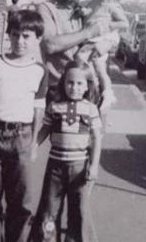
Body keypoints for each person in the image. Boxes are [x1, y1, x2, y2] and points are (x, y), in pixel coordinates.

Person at [0, 10, 48, 242]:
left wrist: (34, 142)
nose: (20, 41)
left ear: (38, 39)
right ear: (9, 35)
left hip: (21, 137)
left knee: (20, 198)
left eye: (26, 36)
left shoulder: (38, 71)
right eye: (15, 35)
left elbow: (38, 110)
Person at [30, 61, 102, 242]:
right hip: (55, 166)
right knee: (50, 208)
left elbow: (96, 139)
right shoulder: (55, 106)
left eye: (79, 83)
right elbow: (45, 130)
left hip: (79, 168)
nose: (74, 87)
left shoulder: (91, 109)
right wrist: (33, 145)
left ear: (87, 86)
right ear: (63, 83)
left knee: (78, 211)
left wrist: (93, 166)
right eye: (70, 82)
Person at [36, 0, 109, 105]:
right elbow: (50, 44)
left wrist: (106, 43)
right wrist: (88, 32)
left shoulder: (88, 10)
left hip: (88, 91)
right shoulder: (46, 8)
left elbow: (107, 38)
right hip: (58, 91)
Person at [76, 0, 129, 110]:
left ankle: (108, 92)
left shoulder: (113, 6)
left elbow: (125, 23)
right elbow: (89, 11)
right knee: (82, 60)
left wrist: (107, 25)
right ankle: (93, 89)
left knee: (98, 64)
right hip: (93, 38)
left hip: (106, 37)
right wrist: (84, 12)